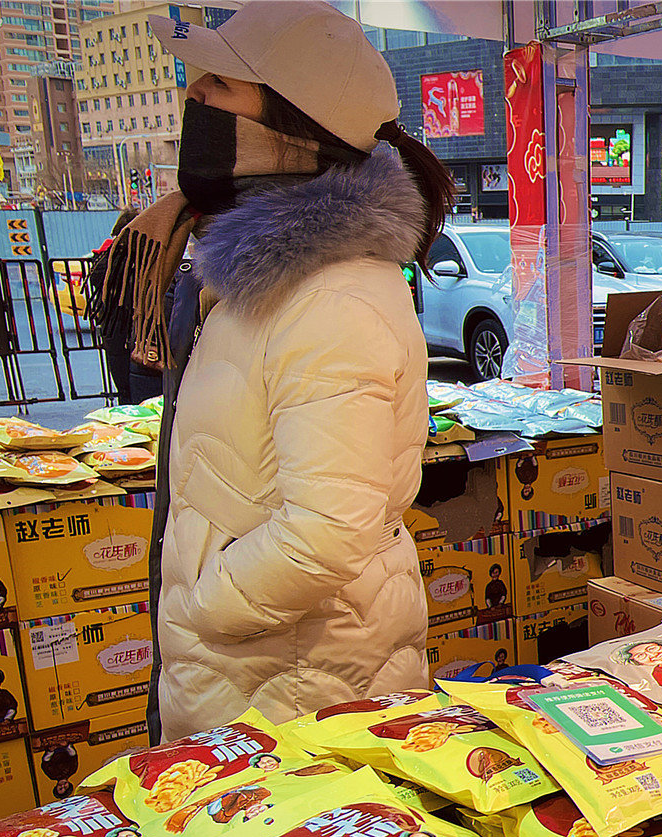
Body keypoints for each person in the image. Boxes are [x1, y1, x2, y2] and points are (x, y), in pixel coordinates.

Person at [110, 2, 454, 741]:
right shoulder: (258, 276)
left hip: (293, 681)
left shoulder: (331, 294)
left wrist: (203, 607)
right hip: (263, 672)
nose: (195, 95)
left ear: (293, 120)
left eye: (221, 84)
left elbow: (327, 530)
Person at [86, 209, 163, 403]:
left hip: (127, 330)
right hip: (122, 328)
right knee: (129, 388)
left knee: (135, 387)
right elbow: (98, 279)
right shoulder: (113, 256)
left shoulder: (144, 255)